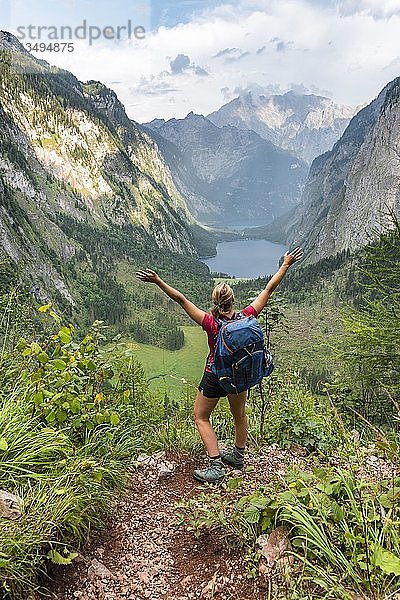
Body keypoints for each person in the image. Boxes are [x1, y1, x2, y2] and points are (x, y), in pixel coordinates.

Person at [136, 247, 303, 483]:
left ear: (215, 302)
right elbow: (269, 288)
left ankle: (215, 465)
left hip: (215, 375)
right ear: (233, 301)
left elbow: (181, 299)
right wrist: (285, 264)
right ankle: (238, 455)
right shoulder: (248, 316)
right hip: (239, 376)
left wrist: (157, 281)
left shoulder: (210, 323)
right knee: (239, 414)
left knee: (201, 417)